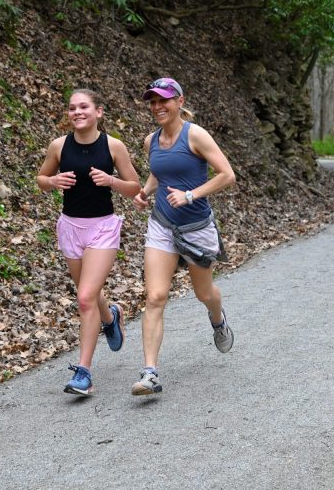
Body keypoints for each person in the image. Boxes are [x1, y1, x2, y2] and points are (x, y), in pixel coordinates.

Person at [131, 77, 236, 395]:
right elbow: (159, 173)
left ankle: (217, 319)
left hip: (196, 227)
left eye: (163, 100)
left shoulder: (196, 135)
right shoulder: (151, 141)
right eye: (153, 102)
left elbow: (227, 175)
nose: (157, 106)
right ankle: (150, 373)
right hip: (162, 224)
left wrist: (191, 195)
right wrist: (145, 192)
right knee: (155, 296)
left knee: (204, 294)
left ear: (179, 101)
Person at [37, 88, 141, 396]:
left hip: (102, 228)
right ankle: (110, 318)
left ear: (98, 112)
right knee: (89, 293)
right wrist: (52, 181)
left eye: (84, 107)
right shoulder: (59, 146)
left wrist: (111, 181)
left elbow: (134, 186)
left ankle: (83, 373)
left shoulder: (113, 146)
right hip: (70, 227)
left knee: (84, 297)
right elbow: (41, 180)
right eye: (72, 108)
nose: (77, 112)